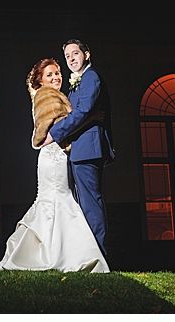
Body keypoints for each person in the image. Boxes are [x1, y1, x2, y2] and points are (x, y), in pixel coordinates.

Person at [0, 58, 109, 273]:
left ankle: (56, 252)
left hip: (55, 155)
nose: (56, 77)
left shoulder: (54, 94)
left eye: (58, 73)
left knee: (56, 200)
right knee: (57, 200)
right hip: (54, 156)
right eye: (50, 74)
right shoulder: (47, 94)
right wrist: (90, 118)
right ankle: (61, 255)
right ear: (40, 80)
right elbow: (57, 125)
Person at [43, 39, 115, 255]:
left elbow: (81, 112)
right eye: (68, 56)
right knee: (83, 203)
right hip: (79, 149)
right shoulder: (78, 82)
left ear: (87, 54)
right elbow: (77, 113)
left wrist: (53, 134)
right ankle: (87, 253)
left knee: (91, 203)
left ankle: (99, 256)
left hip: (88, 149)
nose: (71, 59)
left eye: (75, 53)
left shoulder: (91, 77)